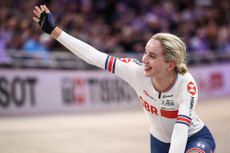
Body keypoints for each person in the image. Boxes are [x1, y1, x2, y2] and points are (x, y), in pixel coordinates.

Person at [33, 5, 216, 153]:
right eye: (145, 52)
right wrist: (54, 31)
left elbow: (180, 131)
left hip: (194, 137)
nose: (144, 59)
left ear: (170, 64)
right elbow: (94, 56)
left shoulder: (186, 85)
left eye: (152, 56)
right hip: (159, 142)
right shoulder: (135, 71)